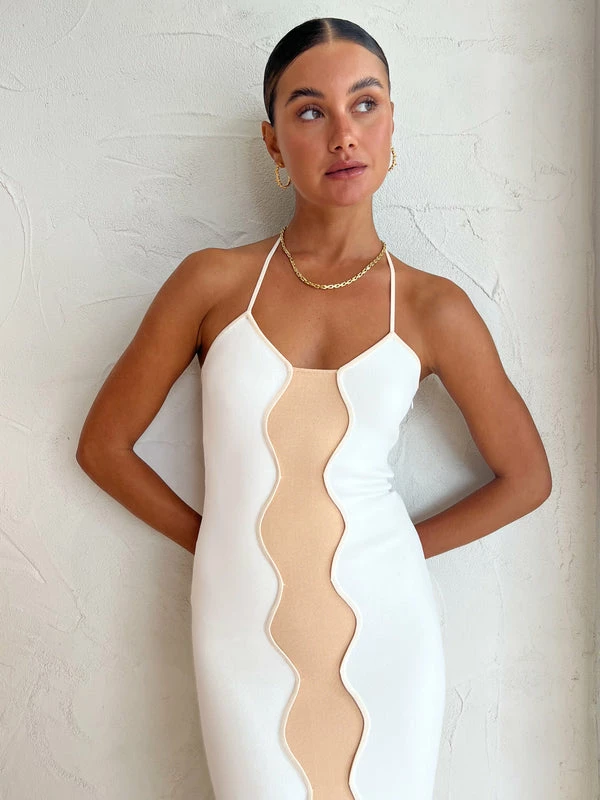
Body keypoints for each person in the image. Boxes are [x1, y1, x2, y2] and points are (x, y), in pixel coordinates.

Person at [76, 16, 552, 800]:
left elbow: (527, 478)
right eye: (309, 111)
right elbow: (103, 447)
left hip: (390, 630)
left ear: (391, 123)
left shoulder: (434, 308)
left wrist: (398, 550)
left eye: (365, 104)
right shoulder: (212, 283)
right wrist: (221, 545)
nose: (342, 134)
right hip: (241, 631)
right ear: (273, 143)